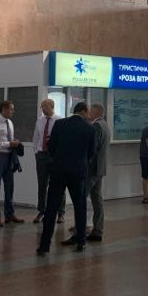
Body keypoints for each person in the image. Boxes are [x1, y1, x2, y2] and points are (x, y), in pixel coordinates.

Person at [37, 101, 95, 255]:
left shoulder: (60, 124)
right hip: (78, 173)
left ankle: (44, 245)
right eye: (88, 111)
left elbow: (51, 147)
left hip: (59, 171)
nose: (89, 114)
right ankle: (81, 242)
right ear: (83, 111)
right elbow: (91, 153)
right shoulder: (89, 128)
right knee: (80, 207)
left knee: (51, 208)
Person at [0, 100, 24, 227]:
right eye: (11, 109)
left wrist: (14, 142)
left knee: (9, 186)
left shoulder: (10, 123)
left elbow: (9, 139)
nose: (13, 111)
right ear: (4, 109)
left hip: (9, 157)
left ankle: (9, 214)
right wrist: (8, 144)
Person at [32, 99, 63, 224]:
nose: (42, 109)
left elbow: (62, 139)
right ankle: (42, 211)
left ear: (51, 106)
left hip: (55, 156)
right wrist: (36, 151)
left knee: (58, 184)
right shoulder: (39, 120)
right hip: (41, 155)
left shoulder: (60, 120)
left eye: (44, 107)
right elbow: (36, 137)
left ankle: (60, 213)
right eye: (41, 107)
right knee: (42, 184)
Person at [86, 104, 109, 241]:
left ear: (95, 112)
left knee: (81, 196)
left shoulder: (96, 126)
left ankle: (81, 228)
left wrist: (86, 163)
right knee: (97, 199)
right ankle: (98, 229)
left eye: (90, 111)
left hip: (92, 169)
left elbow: (93, 149)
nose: (89, 113)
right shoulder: (105, 125)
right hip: (100, 168)